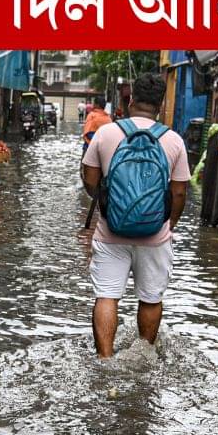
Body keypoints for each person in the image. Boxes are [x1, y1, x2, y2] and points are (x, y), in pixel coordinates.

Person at [80, 72, 190, 358]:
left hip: (110, 232)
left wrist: (110, 203)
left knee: (107, 296)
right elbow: (179, 193)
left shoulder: (106, 133)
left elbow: (90, 179)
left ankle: (105, 358)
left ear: (130, 101)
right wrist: (168, 224)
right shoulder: (174, 141)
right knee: (151, 298)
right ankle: (144, 355)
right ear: (161, 104)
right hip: (156, 235)